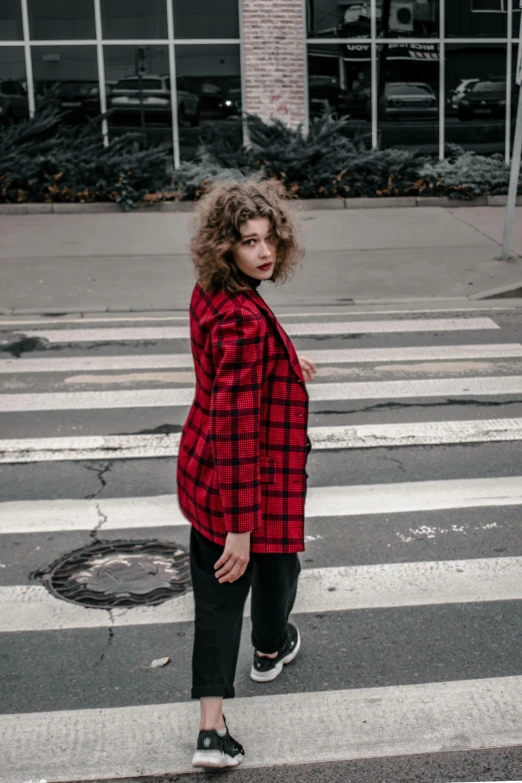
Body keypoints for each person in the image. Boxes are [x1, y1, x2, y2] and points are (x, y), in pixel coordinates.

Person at [176, 178, 316, 770]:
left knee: (214, 602)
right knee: (275, 568)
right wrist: (241, 528)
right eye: (249, 243)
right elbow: (238, 428)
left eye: (269, 239)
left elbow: (230, 369)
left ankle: (212, 732)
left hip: (204, 473)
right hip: (253, 480)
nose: (264, 253)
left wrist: (287, 360)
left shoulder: (213, 293)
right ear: (224, 247)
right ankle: (269, 647)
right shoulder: (244, 321)